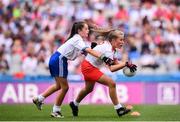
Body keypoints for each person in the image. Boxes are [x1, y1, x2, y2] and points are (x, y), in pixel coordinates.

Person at [32, 21, 113, 118]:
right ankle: (56, 111)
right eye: (86, 29)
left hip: (56, 59)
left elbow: (86, 51)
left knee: (58, 86)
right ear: (79, 30)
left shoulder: (77, 39)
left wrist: (93, 49)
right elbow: (88, 51)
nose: (88, 31)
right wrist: (104, 57)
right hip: (60, 59)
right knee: (65, 87)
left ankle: (39, 98)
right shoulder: (77, 39)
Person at [69, 29, 137, 117]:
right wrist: (125, 64)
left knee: (88, 89)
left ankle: (74, 104)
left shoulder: (113, 50)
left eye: (123, 40)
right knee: (111, 83)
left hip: (89, 65)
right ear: (113, 40)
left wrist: (126, 65)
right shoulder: (108, 50)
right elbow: (112, 68)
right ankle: (119, 109)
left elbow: (116, 64)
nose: (122, 42)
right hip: (89, 67)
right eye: (120, 40)